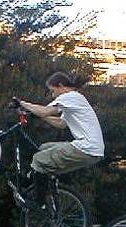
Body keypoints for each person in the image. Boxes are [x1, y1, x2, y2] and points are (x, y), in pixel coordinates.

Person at [16, 71, 105, 208]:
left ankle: (39, 202)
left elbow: (45, 111)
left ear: (61, 86)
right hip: (91, 150)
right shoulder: (75, 100)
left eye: (53, 91)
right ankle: (41, 177)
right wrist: (38, 115)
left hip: (85, 148)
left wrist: (22, 103)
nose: (53, 95)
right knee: (44, 148)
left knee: (39, 159)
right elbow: (61, 124)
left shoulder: (70, 96)